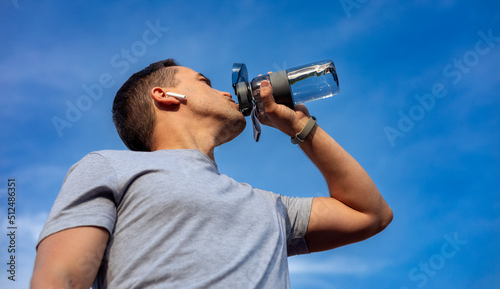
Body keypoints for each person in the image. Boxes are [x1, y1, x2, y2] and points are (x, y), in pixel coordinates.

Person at [31, 59, 393, 288]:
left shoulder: (268, 206)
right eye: (204, 81)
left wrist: (301, 126)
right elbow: (60, 279)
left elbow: (370, 214)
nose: (224, 91)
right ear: (166, 95)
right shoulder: (110, 166)